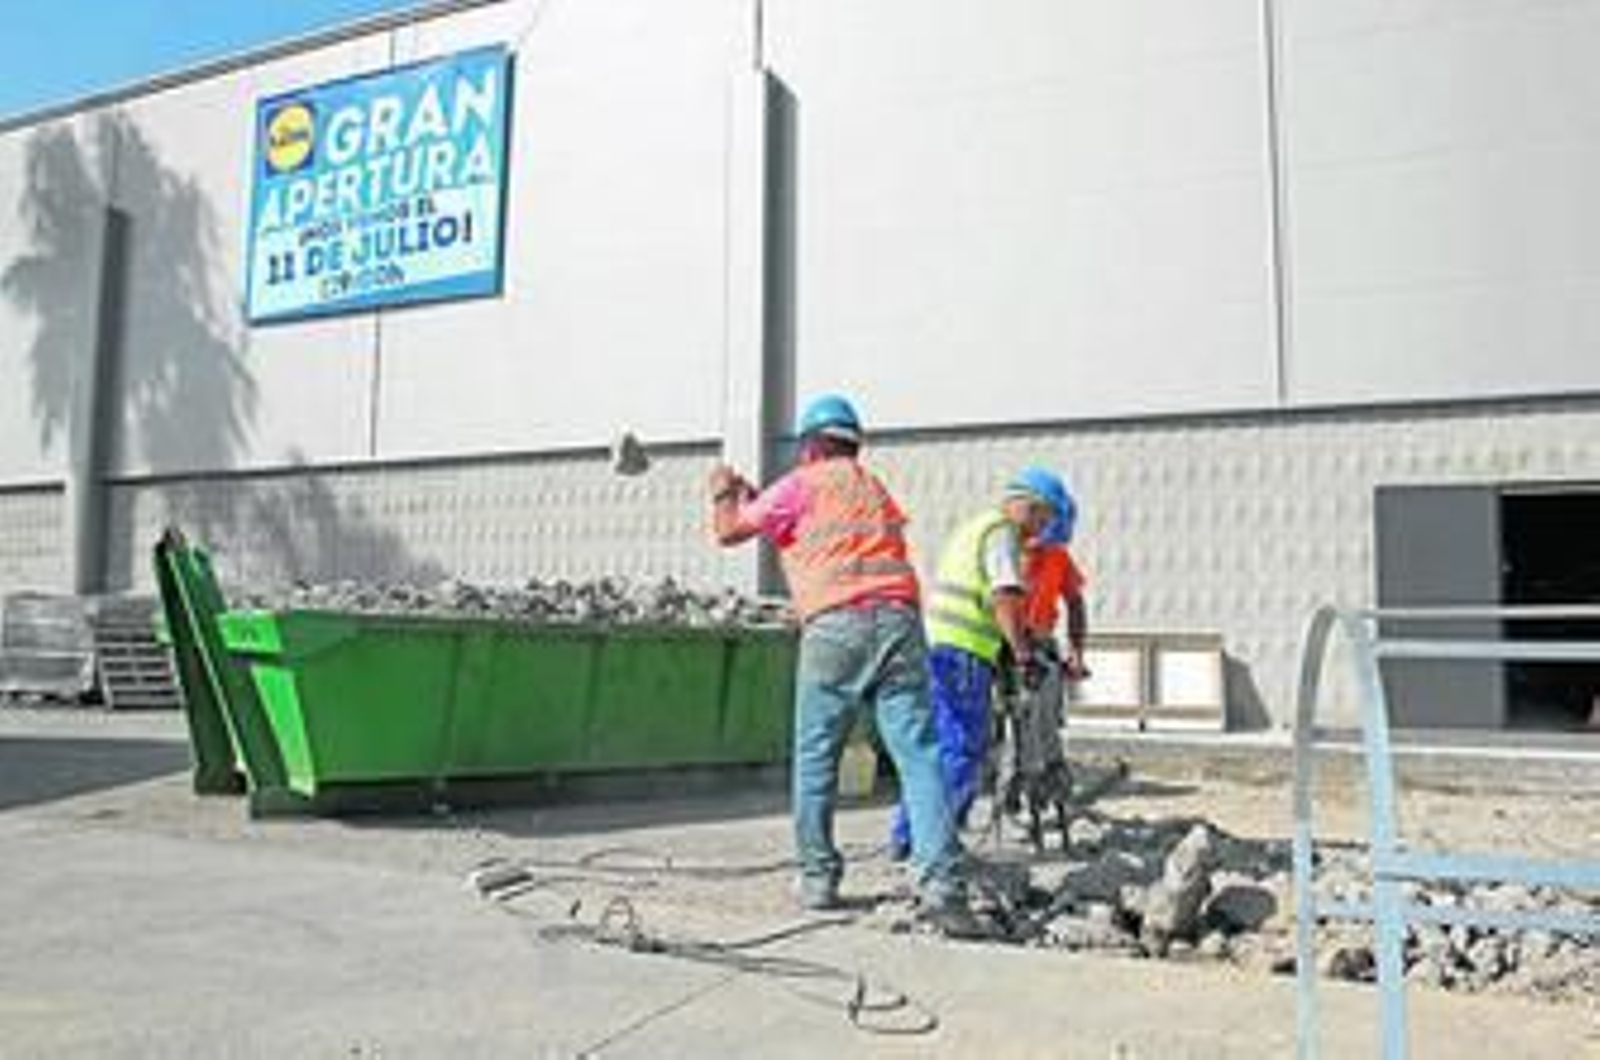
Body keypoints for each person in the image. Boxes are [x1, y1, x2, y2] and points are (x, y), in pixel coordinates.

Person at [708, 394, 969, 925]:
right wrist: (755, 498)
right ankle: (941, 881)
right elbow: (808, 528)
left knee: (817, 756)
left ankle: (818, 879)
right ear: (853, 446)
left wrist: (721, 494)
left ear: (809, 447)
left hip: (835, 627)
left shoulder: (799, 484)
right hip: (898, 621)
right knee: (919, 755)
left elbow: (729, 531)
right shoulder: (873, 487)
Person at [889, 466, 1066, 858]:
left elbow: (984, 596)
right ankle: (934, 844)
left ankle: (908, 836)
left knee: (937, 747)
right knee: (963, 748)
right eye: (1043, 518)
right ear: (1029, 505)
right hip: (964, 652)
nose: (1041, 529)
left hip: (941, 647)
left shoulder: (976, 528)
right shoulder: (1002, 533)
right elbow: (1005, 597)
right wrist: (1022, 653)